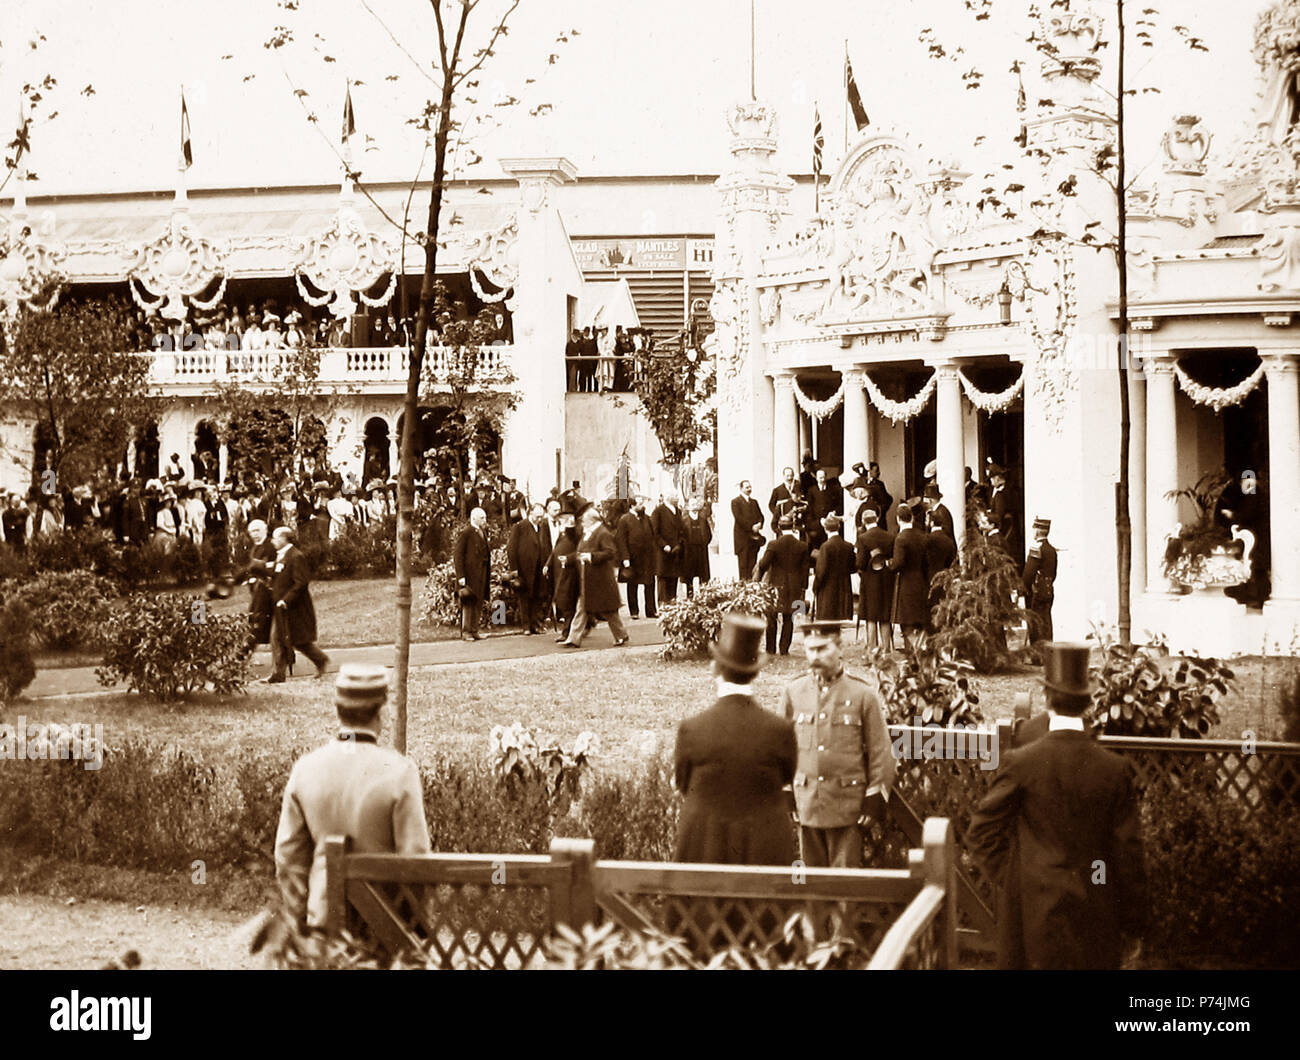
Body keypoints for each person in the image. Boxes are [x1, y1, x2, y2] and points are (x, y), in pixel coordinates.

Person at [968, 643, 1148, 970]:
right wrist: (1134, 923)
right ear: (1087, 704)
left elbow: (982, 832)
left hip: (1032, 914)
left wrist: (1017, 878)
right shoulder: (1113, 768)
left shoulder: (1022, 762)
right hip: (1096, 908)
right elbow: (1127, 852)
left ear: (1048, 701)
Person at [273, 664, 432, 935]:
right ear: (381, 711)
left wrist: (300, 923)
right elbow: (415, 863)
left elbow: (288, 858)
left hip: (322, 927)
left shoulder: (307, 769)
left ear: (337, 709)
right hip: (384, 933)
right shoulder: (399, 772)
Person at [673, 612, 797, 866]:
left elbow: (683, 784)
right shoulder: (780, 730)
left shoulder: (692, 730)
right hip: (765, 863)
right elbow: (787, 777)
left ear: (714, 669)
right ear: (756, 673)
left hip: (704, 862)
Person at [781, 620, 895, 868]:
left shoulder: (862, 695)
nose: (815, 656)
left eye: (823, 649)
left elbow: (881, 751)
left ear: (840, 649)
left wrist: (875, 796)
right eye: (810, 649)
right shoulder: (794, 692)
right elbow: (781, 749)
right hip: (807, 803)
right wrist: (786, 792)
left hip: (847, 804)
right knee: (813, 886)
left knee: (845, 886)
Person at [266, 526, 330, 682]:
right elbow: (280, 576)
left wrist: (285, 600)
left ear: (284, 538)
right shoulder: (282, 556)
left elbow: (301, 582)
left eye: (275, 537)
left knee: (298, 641)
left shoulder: (295, 556)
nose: (273, 541)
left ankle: (320, 659)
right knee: (277, 637)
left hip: (295, 607)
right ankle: (278, 673)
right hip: (282, 606)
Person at [561, 503, 629, 649]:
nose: (582, 523)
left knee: (609, 610)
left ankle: (621, 635)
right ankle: (573, 638)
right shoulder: (588, 533)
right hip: (588, 579)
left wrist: (591, 557)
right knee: (582, 607)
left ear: (592, 520)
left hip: (601, 579)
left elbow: (610, 552)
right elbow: (580, 551)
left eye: (584, 520)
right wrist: (568, 559)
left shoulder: (602, 533)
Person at [755, 515, 809, 656]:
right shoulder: (802, 546)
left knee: (771, 617)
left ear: (779, 527)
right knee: (789, 618)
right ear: (793, 527)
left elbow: (763, 564)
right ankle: (784, 649)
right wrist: (803, 587)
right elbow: (805, 569)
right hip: (794, 585)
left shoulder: (773, 545)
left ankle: (770, 649)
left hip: (776, 585)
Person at [885, 503, 928, 650]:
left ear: (898, 519)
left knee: (906, 623)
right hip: (921, 580)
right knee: (919, 621)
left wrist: (889, 564)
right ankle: (919, 649)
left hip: (906, 583)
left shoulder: (901, 538)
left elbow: (898, 563)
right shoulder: (922, 536)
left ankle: (918, 650)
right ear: (912, 517)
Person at [855, 506, 895, 654]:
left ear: (864, 522)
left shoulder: (863, 538)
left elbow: (860, 563)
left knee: (871, 615)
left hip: (870, 580)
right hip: (886, 579)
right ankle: (886, 648)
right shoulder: (889, 536)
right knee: (885, 615)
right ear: (877, 519)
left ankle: (872, 649)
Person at [507, 502, 548, 635]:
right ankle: (526, 626)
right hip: (524, 569)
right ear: (530, 513)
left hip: (539, 569)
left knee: (537, 597)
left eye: (541, 516)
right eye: (537, 516)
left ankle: (535, 625)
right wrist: (514, 569)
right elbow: (511, 548)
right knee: (524, 598)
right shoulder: (520, 527)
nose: (539, 519)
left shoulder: (541, 527)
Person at [615, 494, 657, 619]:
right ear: (632, 505)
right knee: (632, 585)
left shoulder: (647, 519)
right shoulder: (624, 519)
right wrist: (625, 558)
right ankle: (634, 611)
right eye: (640, 503)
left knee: (649, 584)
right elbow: (621, 540)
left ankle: (651, 610)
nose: (642, 505)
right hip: (633, 558)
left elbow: (652, 536)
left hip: (647, 558)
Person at [453, 507, 491, 642]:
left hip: (481, 573)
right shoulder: (466, 533)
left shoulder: (482, 532)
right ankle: (466, 631)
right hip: (470, 574)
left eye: (485, 518)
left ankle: (475, 630)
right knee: (468, 602)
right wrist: (461, 576)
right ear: (474, 518)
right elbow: (458, 555)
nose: (484, 520)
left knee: (478, 601)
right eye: (482, 518)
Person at [544, 500, 581, 640]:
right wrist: (548, 564)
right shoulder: (563, 533)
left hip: (569, 572)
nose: (562, 520)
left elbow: (580, 551)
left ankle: (567, 632)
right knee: (562, 600)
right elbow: (555, 551)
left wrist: (569, 559)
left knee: (567, 603)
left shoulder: (574, 534)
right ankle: (572, 629)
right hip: (558, 572)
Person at [1021, 517, 1057, 643]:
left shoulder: (1036, 549)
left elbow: (1028, 575)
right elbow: (1053, 574)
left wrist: (1022, 590)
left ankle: (1038, 656)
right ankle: (1049, 654)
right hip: (1048, 591)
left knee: (1036, 625)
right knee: (1046, 622)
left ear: (1037, 531)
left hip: (1035, 593)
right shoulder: (1052, 550)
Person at [812, 514, 855, 621]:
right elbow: (854, 566)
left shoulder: (825, 547)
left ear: (825, 529)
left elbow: (821, 571)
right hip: (844, 590)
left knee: (827, 625)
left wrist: (815, 586)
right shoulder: (848, 546)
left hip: (828, 591)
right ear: (839, 528)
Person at [244, 519, 276, 651]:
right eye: (252, 531)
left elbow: (273, 569)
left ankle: (245, 652)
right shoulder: (255, 548)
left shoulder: (271, 546)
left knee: (258, 622)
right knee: (258, 622)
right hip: (258, 591)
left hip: (269, 592)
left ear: (265, 530)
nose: (254, 534)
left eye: (257, 530)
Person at [650, 491, 685, 605]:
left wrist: (679, 544)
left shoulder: (678, 511)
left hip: (676, 551)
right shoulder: (658, 511)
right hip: (663, 552)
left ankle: (672, 603)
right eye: (675, 496)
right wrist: (664, 545)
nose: (677, 498)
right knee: (663, 578)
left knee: (674, 578)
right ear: (669, 498)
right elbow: (655, 532)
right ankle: (663, 604)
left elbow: (681, 530)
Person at [730, 480, 765, 580]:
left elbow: (760, 516)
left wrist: (759, 524)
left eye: (750, 487)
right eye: (747, 487)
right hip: (742, 539)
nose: (749, 489)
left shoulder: (754, 502)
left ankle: (752, 589)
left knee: (753, 565)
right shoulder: (735, 502)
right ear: (741, 489)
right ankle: (744, 590)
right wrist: (751, 527)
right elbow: (739, 518)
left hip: (754, 540)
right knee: (743, 566)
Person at [681, 500, 712, 598]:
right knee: (688, 576)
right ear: (688, 507)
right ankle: (689, 598)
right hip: (689, 552)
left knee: (703, 575)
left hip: (701, 551)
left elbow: (709, 534)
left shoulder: (703, 519)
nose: (695, 506)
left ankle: (703, 597)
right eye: (692, 504)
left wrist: (704, 542)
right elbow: (681, 535)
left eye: (696, 504)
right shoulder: (684, 520)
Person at [768, 466, 800, 533]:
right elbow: (771, 505)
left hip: (797, 524)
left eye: (791, 475)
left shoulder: (799, 487)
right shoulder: (777, 490)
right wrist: (778, 515)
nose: (789, 478)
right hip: (783, 525)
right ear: (783, 476)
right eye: (787, 476)